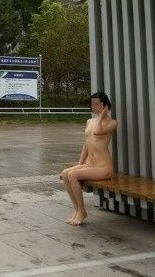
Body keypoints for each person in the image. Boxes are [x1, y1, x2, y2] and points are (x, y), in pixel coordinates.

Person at [59, 92, 118, 225]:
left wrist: (101, 116)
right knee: (65, 173)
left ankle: (82, 211)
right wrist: (80, 164)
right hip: (89, 164)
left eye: (97, 104)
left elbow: (97, 132)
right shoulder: (89, 121)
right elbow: (86, 144)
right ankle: (77, 210)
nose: (93, 107)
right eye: (92, 104)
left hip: (103, 168)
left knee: (73, 175)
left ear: (105, 105)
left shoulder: (113, 122)